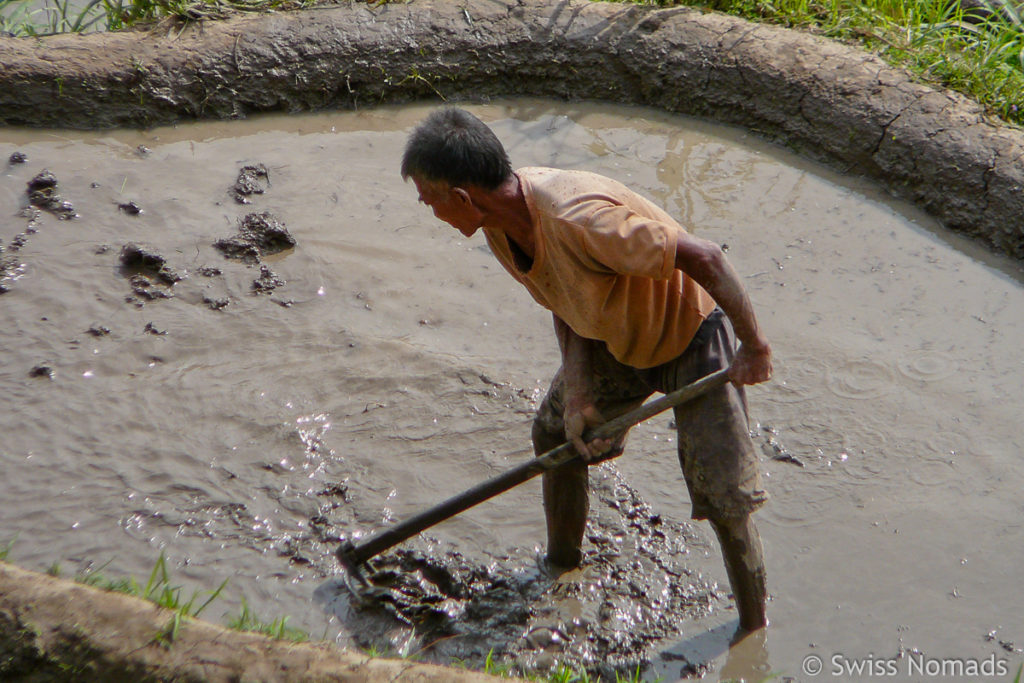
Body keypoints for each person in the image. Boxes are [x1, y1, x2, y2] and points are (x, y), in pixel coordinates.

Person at [400, 107, 773, 633]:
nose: (427, 209)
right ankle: (561, 566)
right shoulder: (502, 225)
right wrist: (577, 393)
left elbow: (707, 257)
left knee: (725, 495)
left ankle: (753, 631)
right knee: (555, 432)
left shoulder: (580, 218)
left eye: (428, 199)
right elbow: (565, 296)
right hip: (613, 338)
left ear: (462, 198)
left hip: (689, 335)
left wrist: (754, 346)